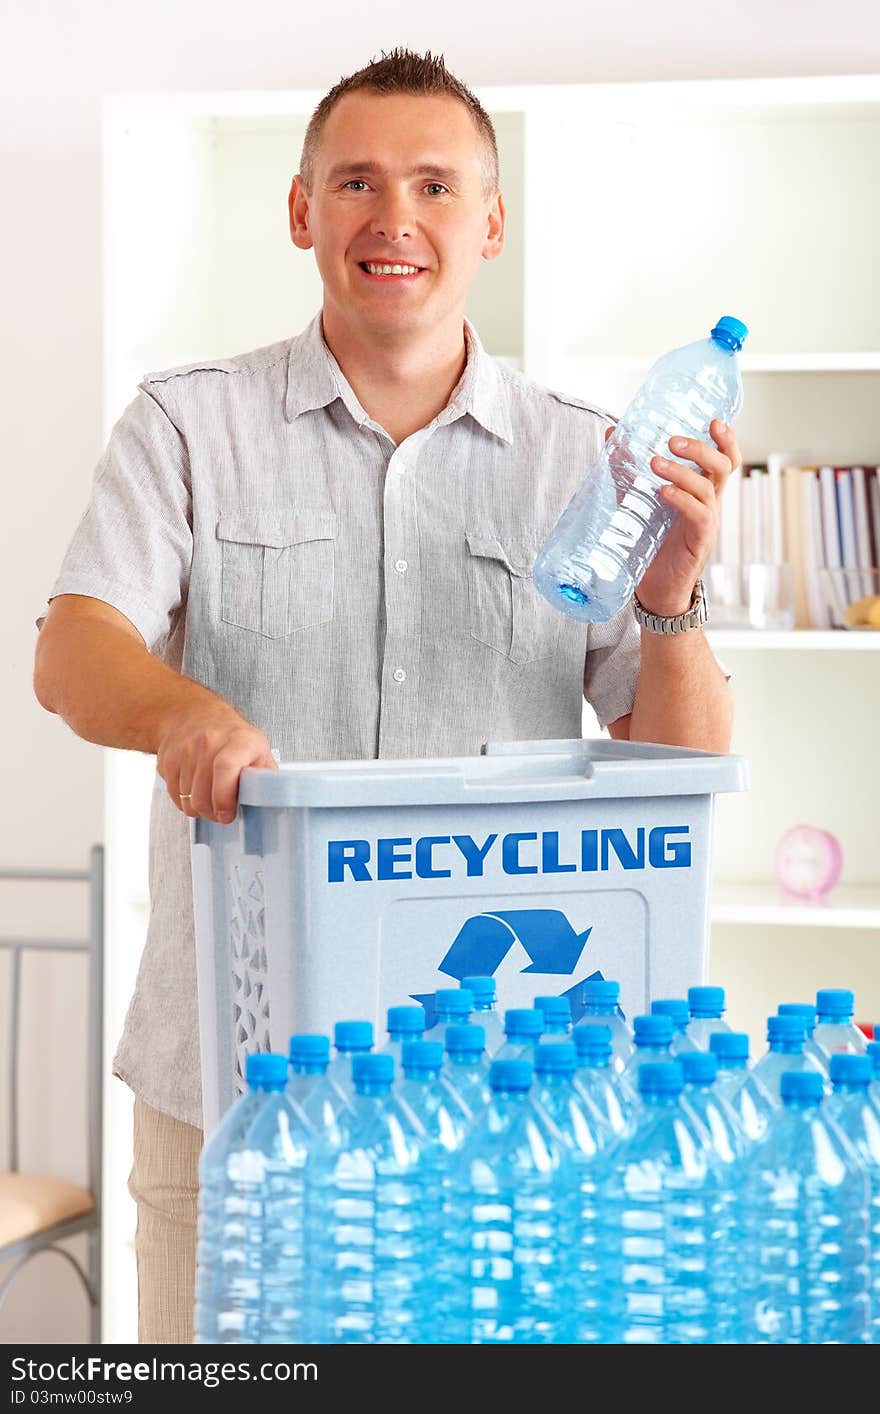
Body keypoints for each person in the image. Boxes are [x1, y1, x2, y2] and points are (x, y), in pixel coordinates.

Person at [33, 48, 739, 1344]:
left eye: (432, 184)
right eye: (356, 182)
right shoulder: (187, 426)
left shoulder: (588, 458)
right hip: (230, 1100)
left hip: (506, 1110)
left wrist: (671, 593)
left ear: (491, 222)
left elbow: (682, 766)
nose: (393, 218)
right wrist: (181, 710)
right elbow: (74, 646)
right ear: (302, 211)